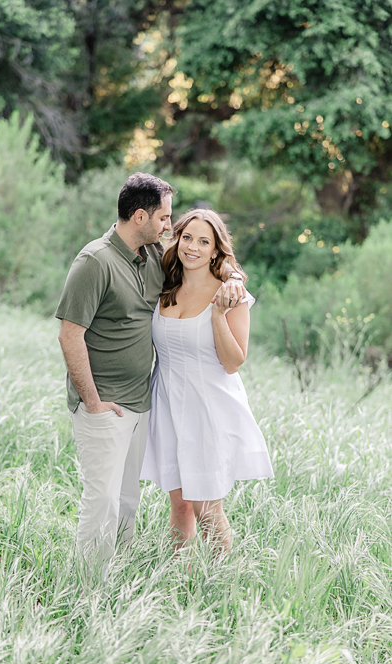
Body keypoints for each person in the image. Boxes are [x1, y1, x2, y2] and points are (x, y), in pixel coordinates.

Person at [55, 173, 244, 578]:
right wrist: (91, 401)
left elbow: (212, 261)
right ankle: (87, 585)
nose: (171, 231)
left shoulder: (154, 259)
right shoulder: (96, 261)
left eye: (173, 222)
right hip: (106, 403)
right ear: (140, 216)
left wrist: (232, 275)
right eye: (165, 220)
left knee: (131, 499)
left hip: (151, 404)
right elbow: (69, 335)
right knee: (103, 498)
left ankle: (128, 577)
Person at [140, 208, 273, 554]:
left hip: (209, 407)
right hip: (167, 403)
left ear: (216, 249)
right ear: (177, 239)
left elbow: (233, 362)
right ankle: (180, 588)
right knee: (181, 505)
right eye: (187, 238)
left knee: (208, 510)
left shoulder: (231, 295)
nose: (193, 248)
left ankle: (222, 588)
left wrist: (217, 311)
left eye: (204, 241)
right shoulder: (164, 283)